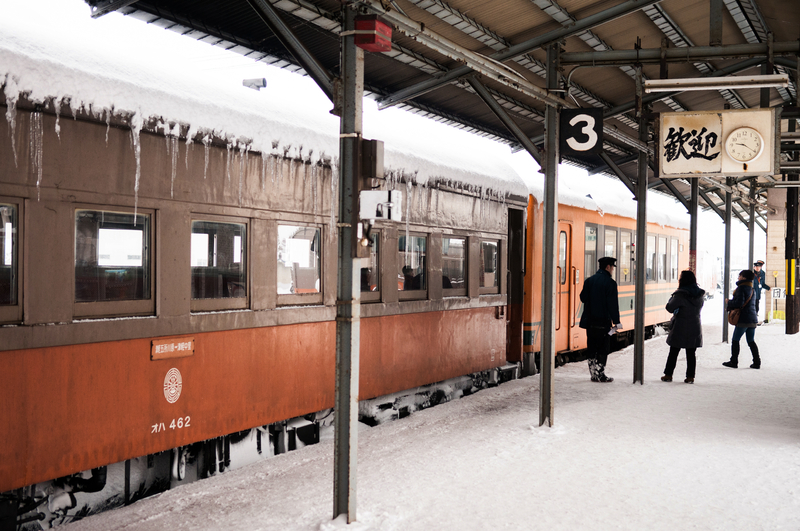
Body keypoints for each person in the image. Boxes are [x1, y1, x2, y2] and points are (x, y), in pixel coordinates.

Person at [579, 256, 622, 383]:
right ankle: (600, 373)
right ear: (608, 267)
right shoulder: (610, 283)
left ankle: (593, 374)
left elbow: (582, 298)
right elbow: (612, 305)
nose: (613, 269)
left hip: (590, 322)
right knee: (603, 348)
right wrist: (617, 321)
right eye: (612, 267)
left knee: (592, 347)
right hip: (603, 322)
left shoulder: (589, 281)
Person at [661, 270, 705, 384]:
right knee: (691, 353)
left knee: (674, 351)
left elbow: (670, 307)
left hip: (680, 325)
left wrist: (672, 298)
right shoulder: (699, 295)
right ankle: (690, 377)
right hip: (695, 325)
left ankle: (668, 374)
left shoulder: (680, 294)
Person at [723, 269, 760, 369]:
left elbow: (739, 303)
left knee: (735, 340)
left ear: (744, 277)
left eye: (740, 275)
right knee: (751, 341)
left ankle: (733, 361)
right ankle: (757, 362)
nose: (738, 277)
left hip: (743, 319)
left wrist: (729, 302)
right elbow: (755, 305)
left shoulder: (741, 288)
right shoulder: (752, 289)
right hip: (752, 319)